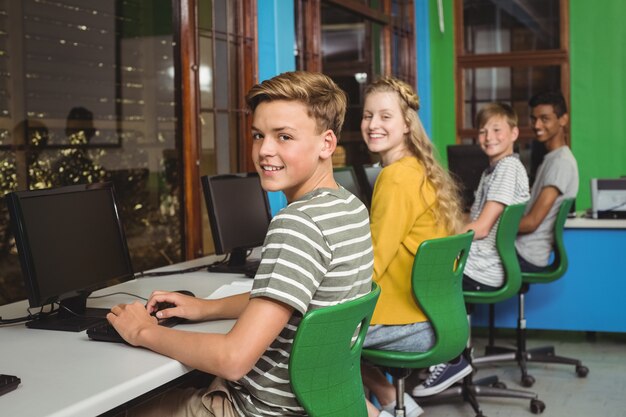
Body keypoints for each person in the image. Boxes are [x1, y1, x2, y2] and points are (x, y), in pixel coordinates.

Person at [107, 71, 373, 417]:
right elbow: (293, 297)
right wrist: (204, 307)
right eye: (258, 135)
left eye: (284, 137)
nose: (265, 150)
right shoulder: (349, 207)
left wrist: (141, 330)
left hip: (258, 410)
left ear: (326, 143)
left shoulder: (297, 224)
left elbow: (233, 360)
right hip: (319, 402)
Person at [358, 76, 463, 417]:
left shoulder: (396, 177)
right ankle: (393, 401)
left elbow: (372, 264)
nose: (373, 124)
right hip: (435, 317)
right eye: (367, 115)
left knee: (311, 339)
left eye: (384, 116)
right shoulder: (418, 168)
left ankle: (380, 410)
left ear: (406, 123)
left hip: (406, 323)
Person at [412, 102, 530, 398]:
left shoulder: (507, 169)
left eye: (497, 130)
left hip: (485, 267)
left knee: (423, 273)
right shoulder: (495, 170)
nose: (488, 136)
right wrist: (445, 224)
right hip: (485, 261)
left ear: (514, 133)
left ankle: (452, 358)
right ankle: (450, 356)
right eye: (482, 130)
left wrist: (438, 238)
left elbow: (481, 228)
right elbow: (472, 219)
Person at [516, 92, 579, 271]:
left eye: (545, 119)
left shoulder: (561, 163)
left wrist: (491, 225)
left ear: (563, 120)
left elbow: (531, 222)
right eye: (534, 119)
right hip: (521, 250)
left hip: (527, 254)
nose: (537, 125)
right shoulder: (551, 158)